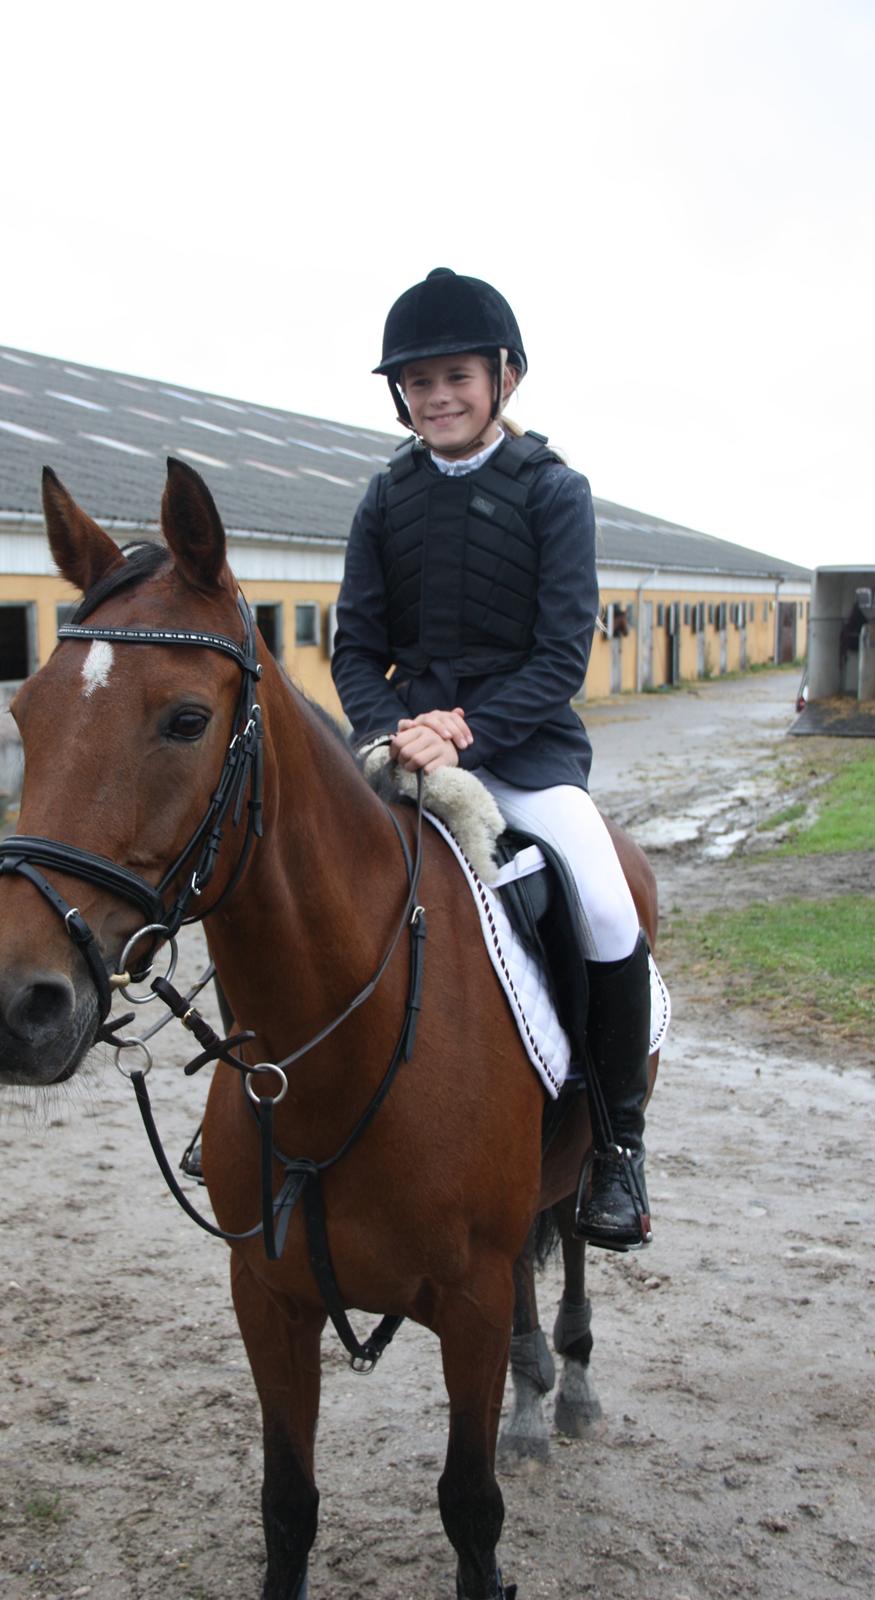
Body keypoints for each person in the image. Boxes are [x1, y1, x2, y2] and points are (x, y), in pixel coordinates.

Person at [330, 267, 652, 1251]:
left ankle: (616, 1150)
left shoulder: (556, 493)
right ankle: (281, 1108)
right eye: (417, 381)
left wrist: (459, 730)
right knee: (296, 871)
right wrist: (392, 733)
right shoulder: (385, 499)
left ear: (503, 375)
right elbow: (353, 645)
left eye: (454, 375)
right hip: (405, 753)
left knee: (600, 900)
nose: (436, 395)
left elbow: (560, 655)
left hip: (525, 754)